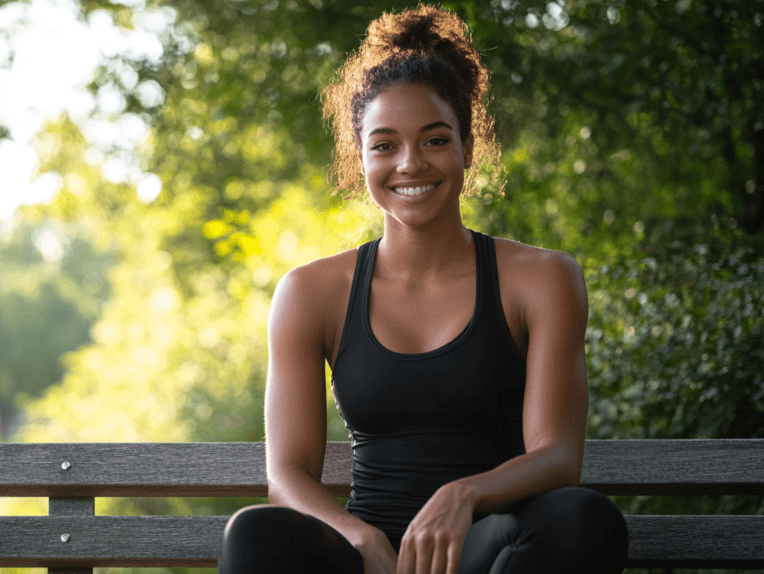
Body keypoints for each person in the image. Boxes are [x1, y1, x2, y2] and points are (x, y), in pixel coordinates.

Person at [218, 5, 628, 574]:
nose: (410, 163)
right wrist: (360, 538)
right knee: (255, 534)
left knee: (580, 518)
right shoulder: (311, 293)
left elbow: (557, 456)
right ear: (358, 157)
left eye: (434, 140)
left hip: (488, 550)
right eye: (384, 145)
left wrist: (464, 496)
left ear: (468, 147)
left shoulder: (541, 279)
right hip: (368, 557)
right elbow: (287, 475)